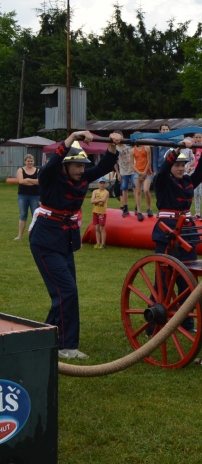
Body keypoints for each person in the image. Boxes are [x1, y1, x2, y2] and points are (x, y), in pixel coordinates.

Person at [30, 131, 121, 358]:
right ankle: (66, 346)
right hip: (45, 241)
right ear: (65, 166)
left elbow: (103, 168)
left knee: (66, 292)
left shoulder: (81, 179)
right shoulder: (50, 177)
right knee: (66, 291)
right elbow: (52, 163)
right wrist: (72, 138)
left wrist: (112, 145)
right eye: (77, 166)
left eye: (83, 166)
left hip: (65, 241)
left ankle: (42, 335)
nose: (82, 170)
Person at [151, 137, 202, 329]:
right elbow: (162, 170)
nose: (180, 168)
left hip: (187, 231)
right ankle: (154, 322)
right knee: (162, 280)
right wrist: (177, 149)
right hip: (167, 231)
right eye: (177, 165)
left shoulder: (187, 181)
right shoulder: (161, 181)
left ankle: (187, 321)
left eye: (182, 165)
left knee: (187, 279)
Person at [15, 154, 39, 240]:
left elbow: (39, 182)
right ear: (25, 161)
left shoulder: (38, 170)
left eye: (31, 161)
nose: (30, 162)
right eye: (28, 161)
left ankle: (36, 235)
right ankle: (20, 235)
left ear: (34, 161)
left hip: (35, 196)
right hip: (23, 196)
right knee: (23, 214)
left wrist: (28, 179)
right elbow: (21, 181)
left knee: (35, 215)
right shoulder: (20, 170)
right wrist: (33, 182)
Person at [132, 135, 153, 221]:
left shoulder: (147, 148)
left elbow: (149, 161)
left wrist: (144, 172)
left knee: (146, 190)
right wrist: (139, 172)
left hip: (147, 171)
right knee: (138, 191)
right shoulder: (132, 150)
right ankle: (139, 211)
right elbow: (131, 164)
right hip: (137, 172)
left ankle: (149, 208)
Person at [114, 132, 135, 218]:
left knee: (135, 186)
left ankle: (137, 206)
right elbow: (114, 162)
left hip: (133, 169)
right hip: (123, 171)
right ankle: (125, 207)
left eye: (120, 137)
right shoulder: (115, 149)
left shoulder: (129, 145)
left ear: (122, 136)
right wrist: (118, 173)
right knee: (124, 188)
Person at [91, 175, 110, 249]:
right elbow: (91, 201)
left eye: (103, 183)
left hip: (102, 212)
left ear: (105, 184)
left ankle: (103, 244)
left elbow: (103, 202)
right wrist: (99, 200)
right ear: (98, 183)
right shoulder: (95, 191)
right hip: (95, 211)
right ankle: (98, 243)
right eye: (100, 183)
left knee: (102, 228)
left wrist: (96, 200)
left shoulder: (106, 192)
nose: (102, 184)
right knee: (97, 228)